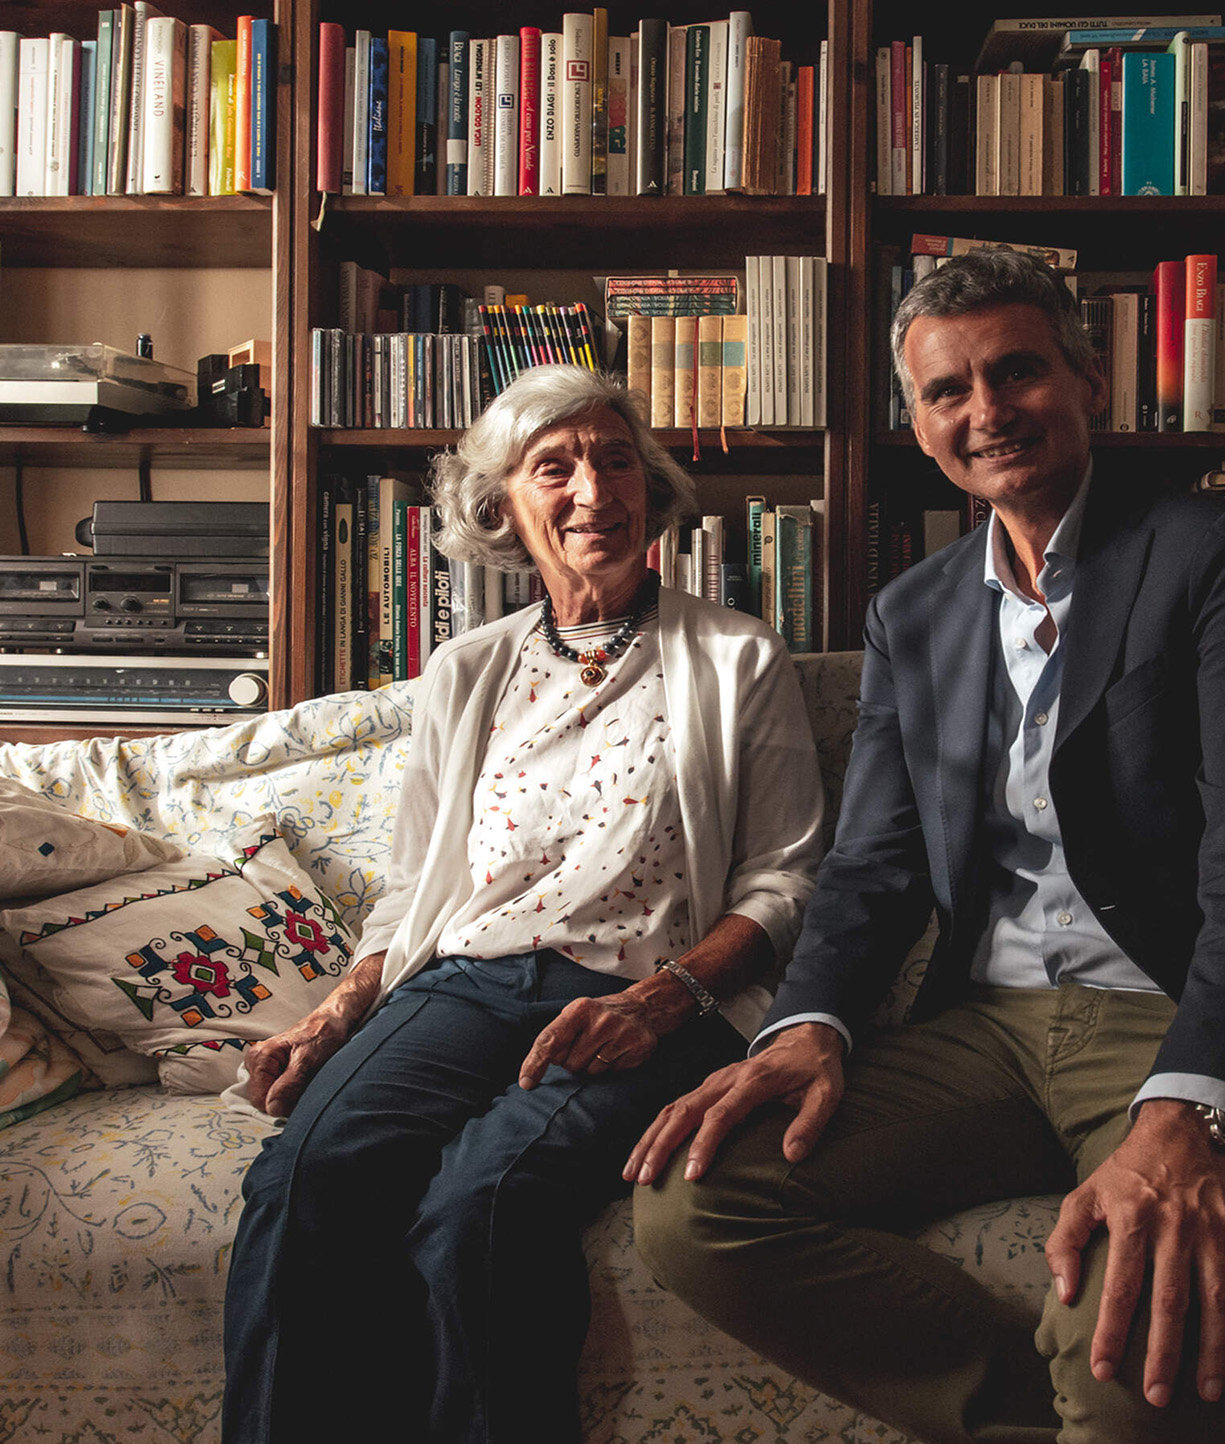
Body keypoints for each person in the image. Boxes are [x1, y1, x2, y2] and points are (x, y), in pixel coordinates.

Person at [628, 250, 1225, 1444]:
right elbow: (874, 863)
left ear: (1086, 378)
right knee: (693, 1205)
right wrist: (806, 1023)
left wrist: (1191, 1105)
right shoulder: (914, 611)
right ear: (917, 422)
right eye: (946, 392)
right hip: (981, 1024)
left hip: (1168, 1011)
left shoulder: (1213, 557)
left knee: (1141, 1354)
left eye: (1016, 370)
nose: (985, 413)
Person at [219, 363, 824, 1444]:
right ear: (502, 507)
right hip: (463, 984)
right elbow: (413, 891)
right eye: (557, 466)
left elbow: (783, 881)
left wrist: (664, 1002)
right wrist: (337, 1010)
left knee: (480, 1207)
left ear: (650, 488)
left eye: (615, 458)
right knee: (306, 1172)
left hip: (645, 994)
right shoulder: (465, 669)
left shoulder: (736, 655)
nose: (594, 487)